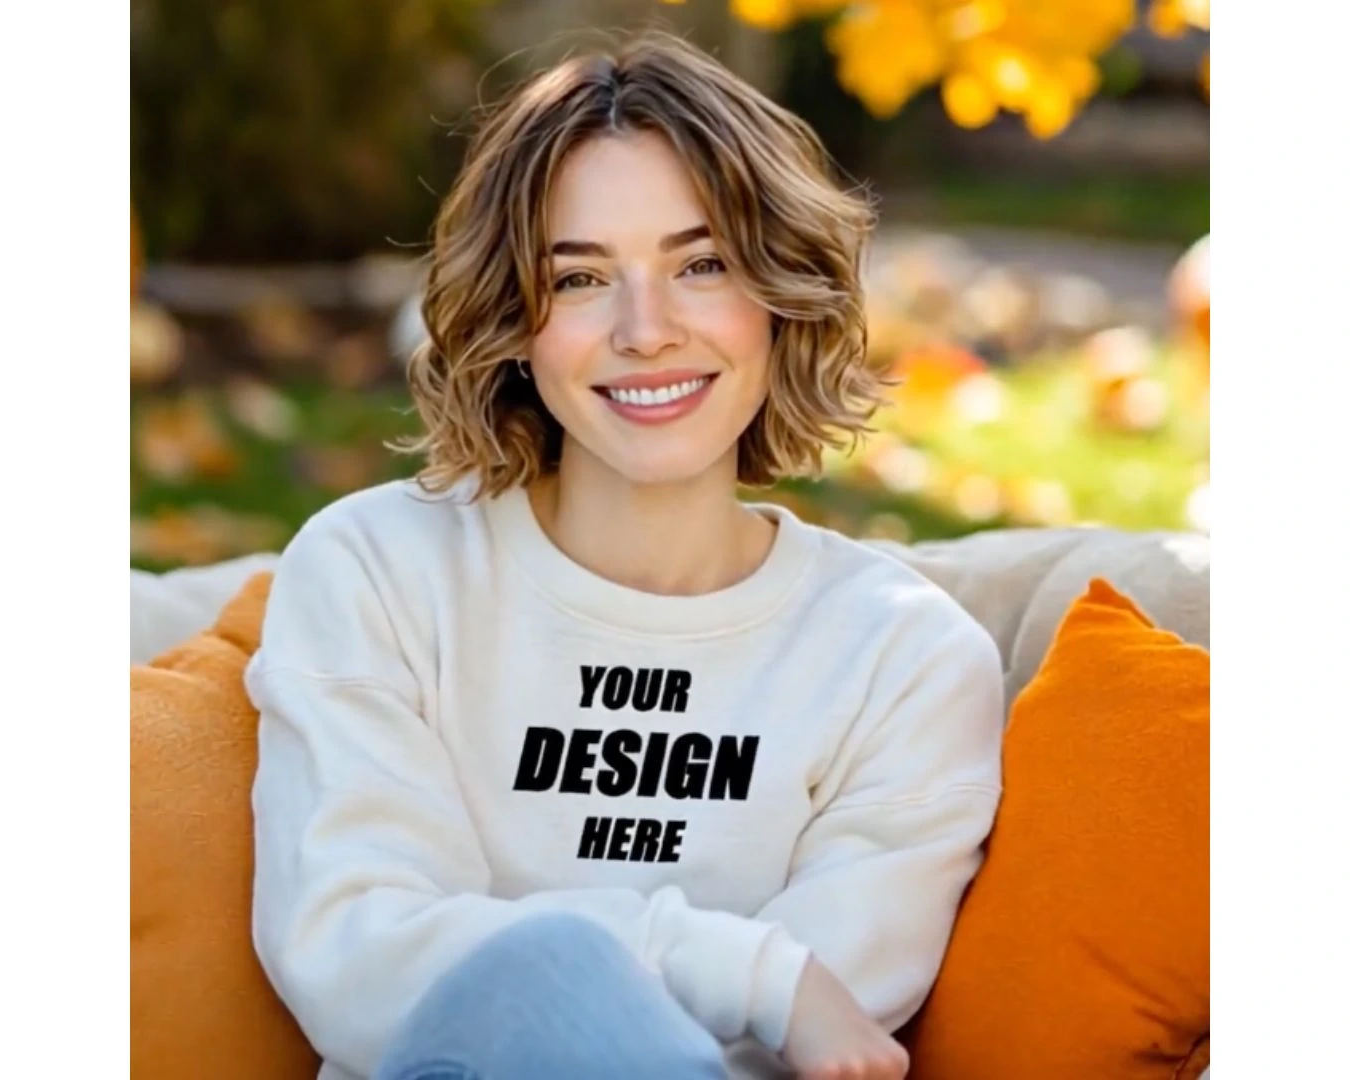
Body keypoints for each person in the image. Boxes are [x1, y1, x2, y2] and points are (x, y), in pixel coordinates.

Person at [245, 30, 1005, 1080]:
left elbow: (807, 1050)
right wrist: (742, 965)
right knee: (539, 982)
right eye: (582, 278)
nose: (647, 330)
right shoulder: (378, 573)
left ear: (783, 293)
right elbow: (358, 959)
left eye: (703, 265)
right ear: (514, 318)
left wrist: (650, 976)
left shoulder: (903, 660)